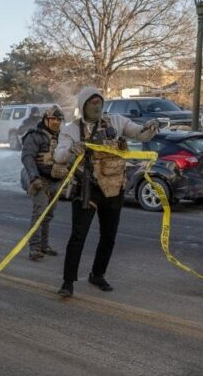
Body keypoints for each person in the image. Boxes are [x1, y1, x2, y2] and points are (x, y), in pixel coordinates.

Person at [54, 87, 159, 297]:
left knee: (109, 236)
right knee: (78, 236)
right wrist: (72, 150)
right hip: (87, 189)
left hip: (113, 188)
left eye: (99, 102)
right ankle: (68, 282)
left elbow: (139, 133)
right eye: (91, 102)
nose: (96, 106)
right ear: (83, 106)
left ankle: (97, 274)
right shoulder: (72, 129)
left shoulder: (116, 121)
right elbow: (59, 155)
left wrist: (151, 128)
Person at [21, 106, 65, 260]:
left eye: (59, 120)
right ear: (45, 119)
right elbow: (27, 157)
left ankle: (44, 245)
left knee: (49, 215)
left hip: (55, 181)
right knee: (39, 213)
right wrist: (34, 178)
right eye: (53, 119)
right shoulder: (35, 136)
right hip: (40, 179)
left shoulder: (62, 137)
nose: (56, 122)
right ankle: (34, 248)